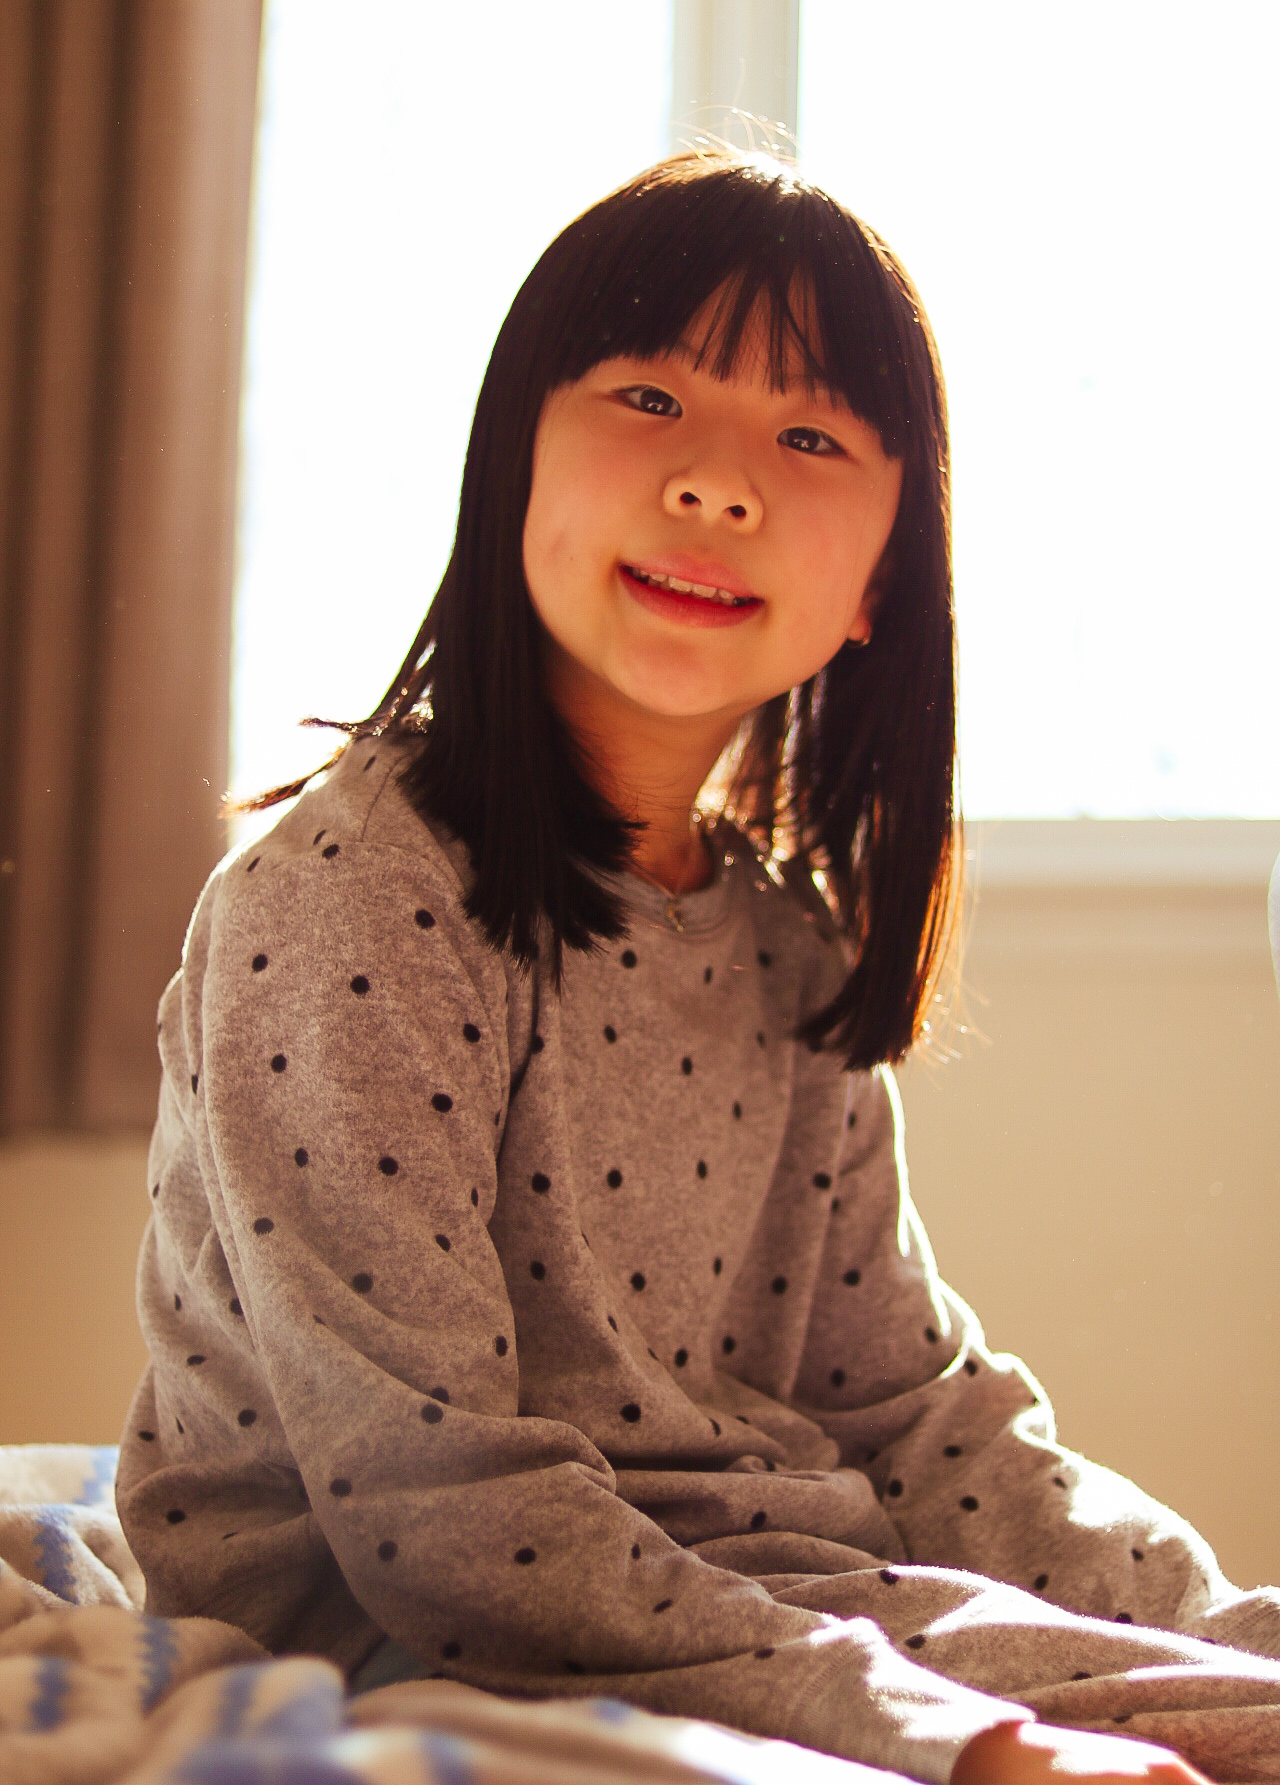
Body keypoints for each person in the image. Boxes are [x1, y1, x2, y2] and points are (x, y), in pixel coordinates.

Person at [116, 152, 1280, 1785]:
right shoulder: (344, 906)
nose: (720, 485)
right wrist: (968, 1743)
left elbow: (915, 1415)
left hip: (762, 1588)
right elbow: (440, 1518)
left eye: (809, 437)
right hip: (408, 1622)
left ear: (882, 580)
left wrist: (1225, 1626)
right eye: (649, 396)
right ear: (512, 455)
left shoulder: (780, 937)